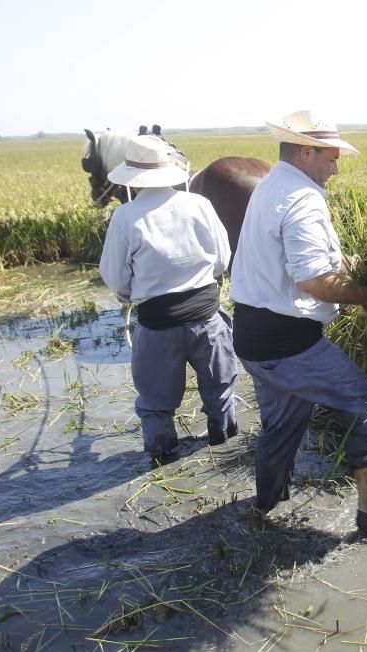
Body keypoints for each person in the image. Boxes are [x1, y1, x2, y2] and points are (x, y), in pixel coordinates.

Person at [229, 110, 367, 535]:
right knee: (366, 402)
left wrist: (351, 264)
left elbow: (297, 262)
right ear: (306, 152)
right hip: (288, 341)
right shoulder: (303, 198)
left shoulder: (269, 187)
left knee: (281, 423)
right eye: (331, 158)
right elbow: (313, 279)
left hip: (251, 335)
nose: (335, 168)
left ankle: (264, 506)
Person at [98, 134, 238, 465]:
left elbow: (115, 276)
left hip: (157, 328)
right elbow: (222, 259)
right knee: (220, 392)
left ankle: (161, 459)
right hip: (208, 322)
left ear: (133, 177)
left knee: (155, 403)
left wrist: (128, 295)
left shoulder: (126, 217)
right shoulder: (200, 205)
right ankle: (226, 449)